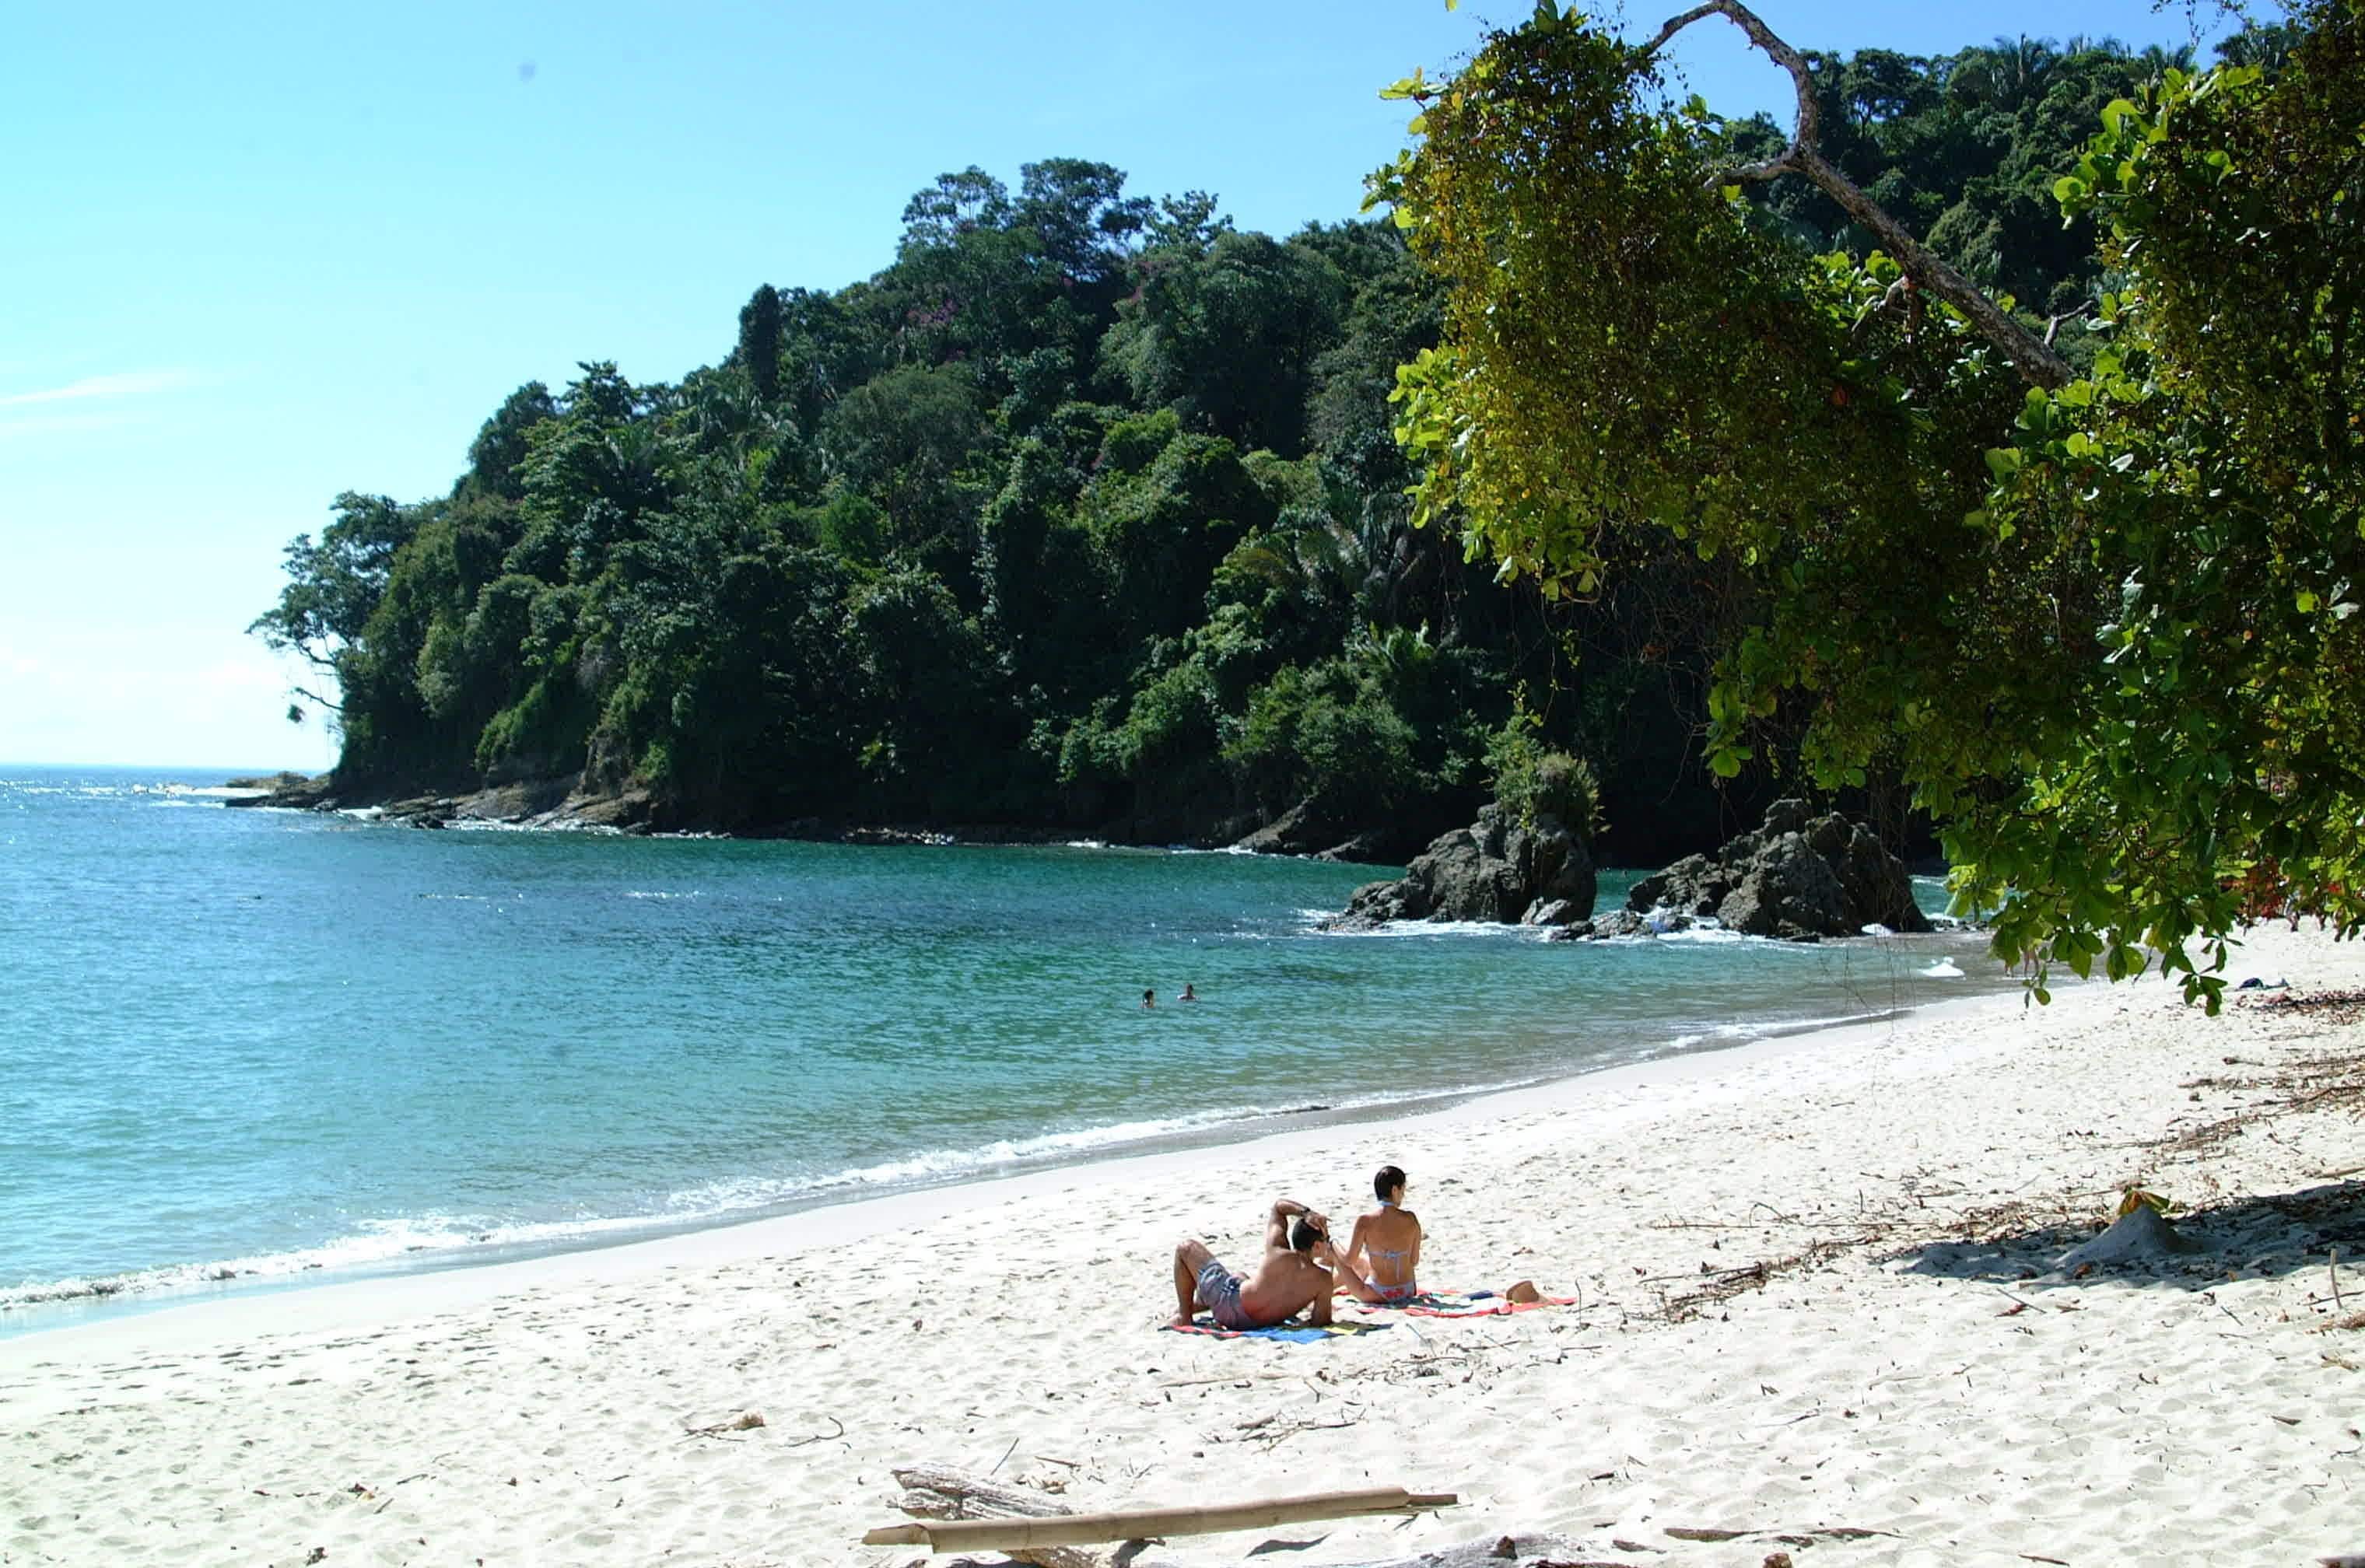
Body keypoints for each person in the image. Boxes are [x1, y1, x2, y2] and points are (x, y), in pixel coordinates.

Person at [1170, 1197, 1337, 1330]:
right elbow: (1320, 1322)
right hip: (1258, 1322)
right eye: (1327, 1240)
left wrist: (1307, 1213)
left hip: (1228, 1308)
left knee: (1185, 1248)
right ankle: (1195, 1306)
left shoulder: (1277, 1250)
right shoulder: (1323, 1280)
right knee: (1241, 1277)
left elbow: (1278, 1207)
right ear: (1316, 1246)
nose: (1329, 1243)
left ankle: (1185, 1317)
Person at [1333, 1164, 1424, 1304]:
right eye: (1403, 1190)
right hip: (1408, 1290)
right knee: (1364, 1262)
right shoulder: (1411, 1219)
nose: (1403, 1195)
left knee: (1337, 1255)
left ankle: (1326, 1287)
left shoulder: (1365, 1221)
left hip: (1379, 1293)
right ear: (1394, 1190)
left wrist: (1334, 1244)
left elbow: (1348, 1261)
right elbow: (1414, 1261)